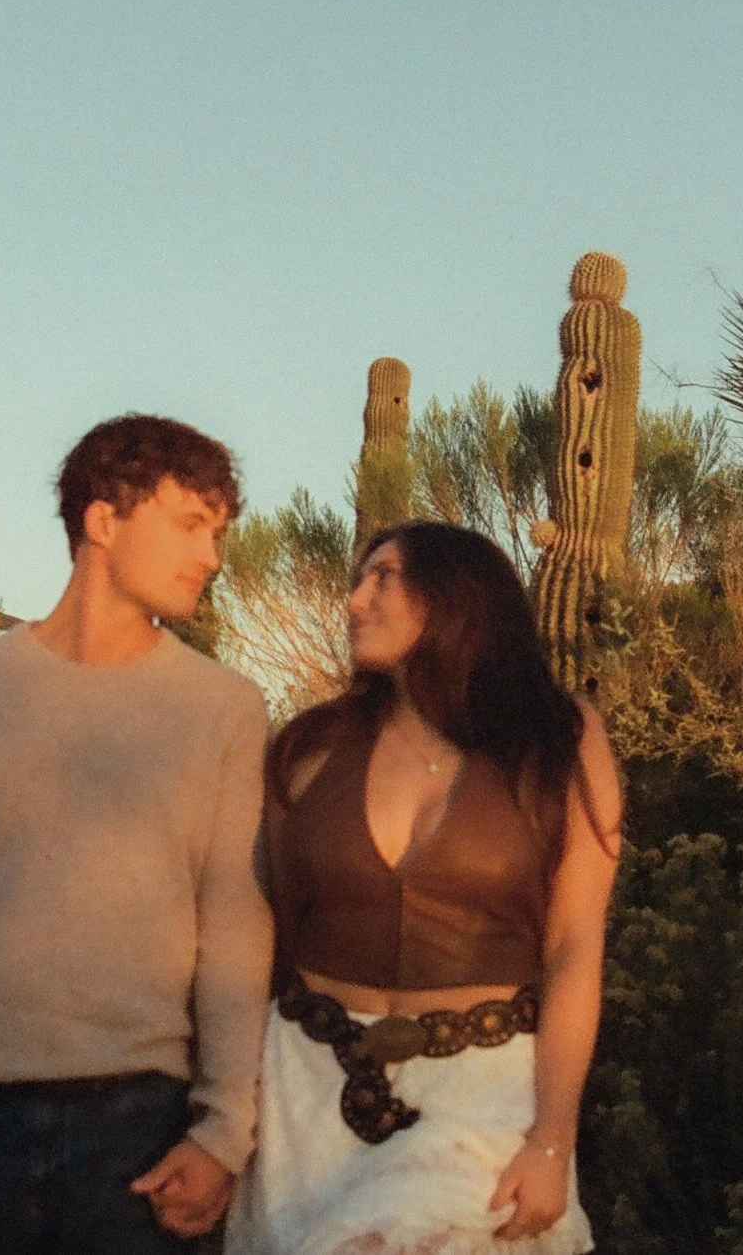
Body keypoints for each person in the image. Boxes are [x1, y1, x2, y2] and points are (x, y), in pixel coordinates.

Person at [0, 414, 274, 1255]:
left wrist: (224, 1130)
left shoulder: (224, 708)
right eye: (191, 524)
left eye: (218, 533)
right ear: (103, 519)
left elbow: (234, 930)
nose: (212, 557)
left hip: (140, 1129)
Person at [225, 520, 622, 1254]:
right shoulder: (309, 744)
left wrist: (552, 1137)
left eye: (383, 578)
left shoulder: (558, 739)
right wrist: (224, 1115)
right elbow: (260, 934)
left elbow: (573, 948)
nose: (355, 600)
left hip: (483, 1092)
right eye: (358, 580)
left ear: (454, 596)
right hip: (305, 1091)